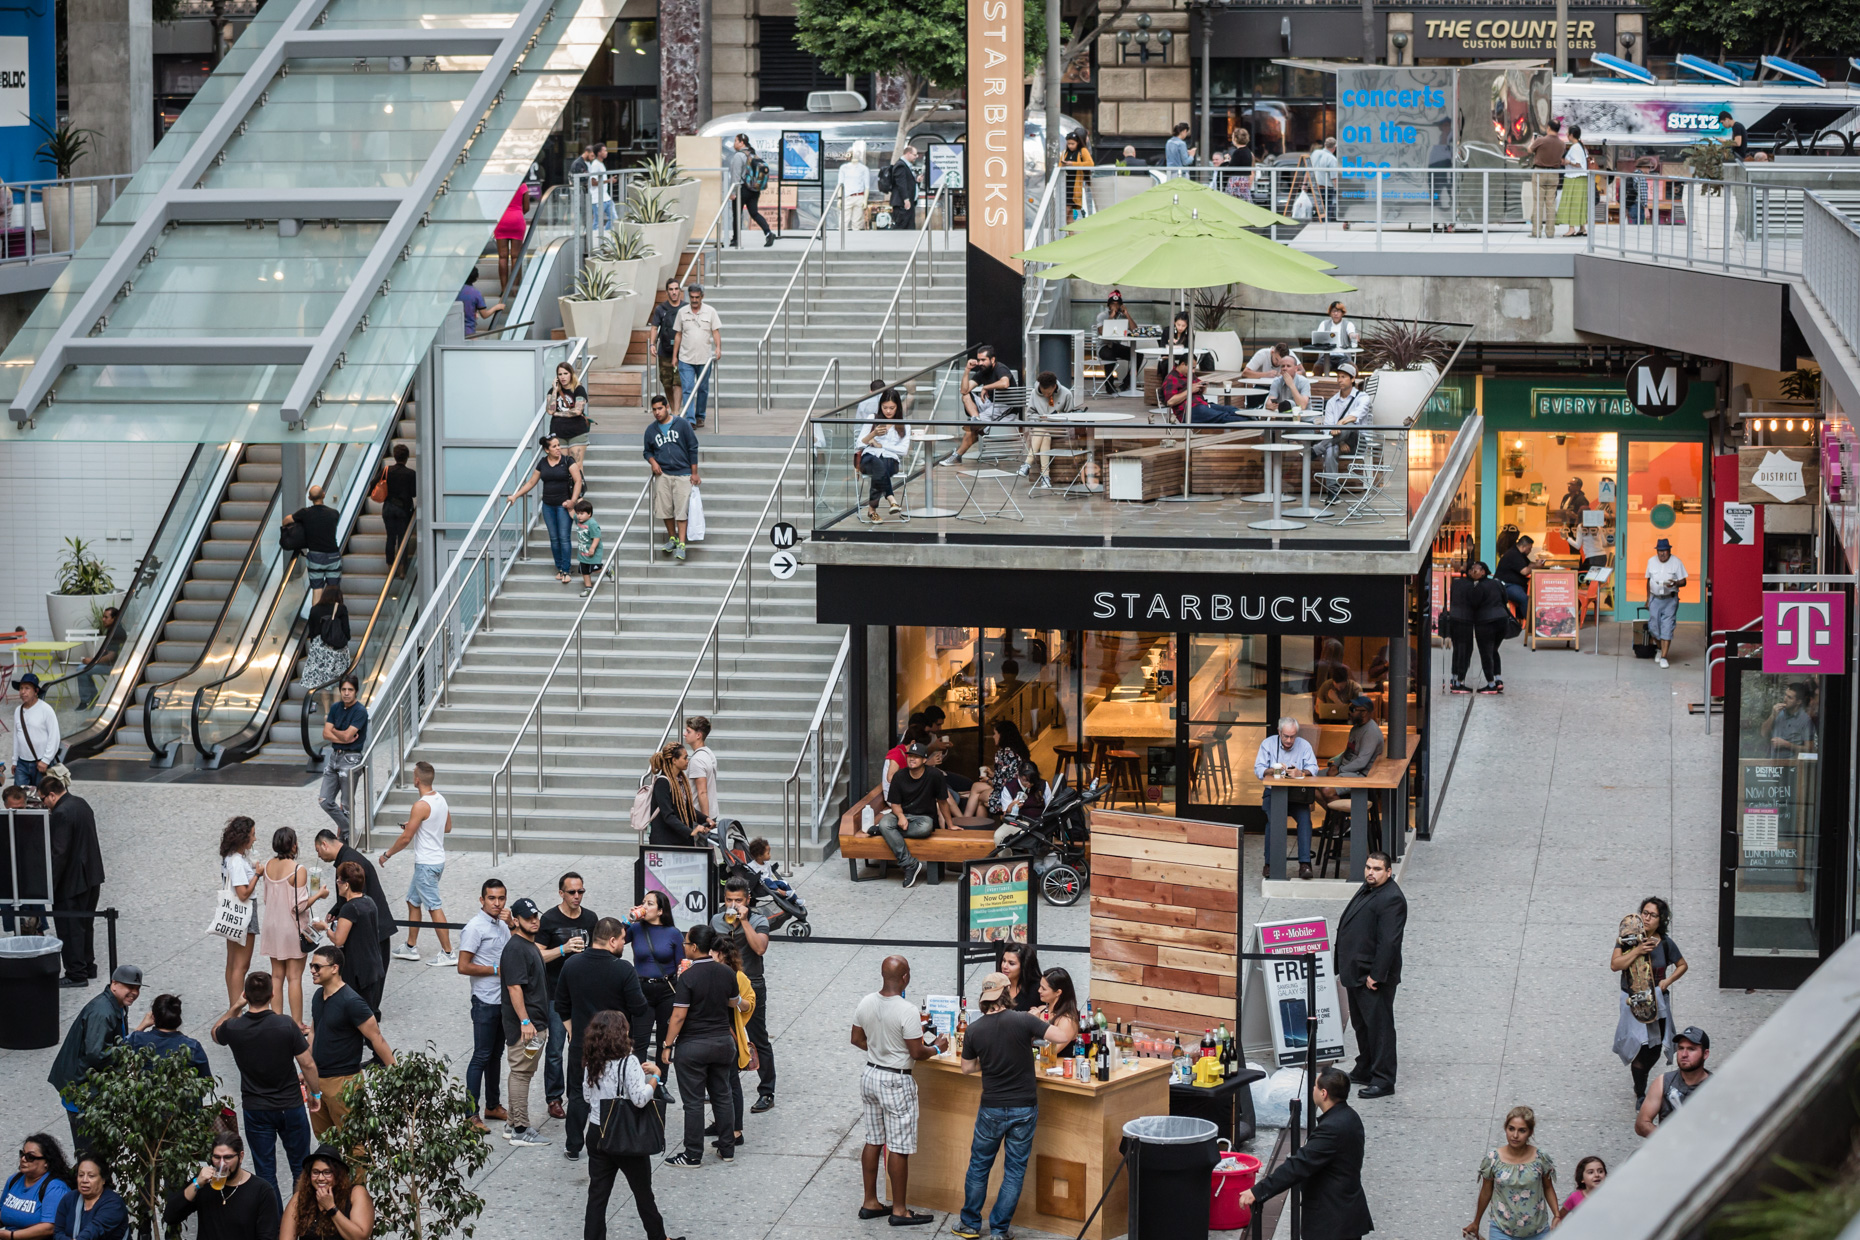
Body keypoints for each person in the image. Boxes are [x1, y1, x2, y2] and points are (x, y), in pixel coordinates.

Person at [951, 971, 1072, 1240]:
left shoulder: (974, 1029)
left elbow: (967, 1068)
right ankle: (998, 1231)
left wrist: (990, 1058)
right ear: (1007, 994)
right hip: (1023, 1108)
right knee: (1014, 1171)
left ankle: (970, 1225)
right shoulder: (1023, 1020)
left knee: (979, 1166)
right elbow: (1061, 1034)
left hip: (991, 1108)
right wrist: (1039, 1020)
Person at [851, 956, 947, 1227]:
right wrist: (938, 1046)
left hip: (870, 1074)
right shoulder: (907, 1010)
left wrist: (879, 1051)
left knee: (873, 1140)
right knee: (898, 1146)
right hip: (896, 1080)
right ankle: (900, 1210)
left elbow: (856, 1039)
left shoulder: (866, 1001)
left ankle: (870, 1202)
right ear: (906, 978)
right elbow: (918, 1052)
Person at [211, 971, 315, 1210]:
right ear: (273, 994)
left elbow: (216, 1033)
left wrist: (236, 1006)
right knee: (300, 1167)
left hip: (256, 1108)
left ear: (246, 995)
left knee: (266, 1172)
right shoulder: (285, 1024)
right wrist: (314, 1093)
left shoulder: (235, 1027)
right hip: (291, 1106)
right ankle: (301, 1219)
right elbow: (307, 1063)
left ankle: (277, 1224)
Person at [1236, 1068, 1371, 1240]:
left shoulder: (1332, 1128)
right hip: (1345, 1213)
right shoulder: (1351, 1117)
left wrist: (1258, 1191)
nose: (1312, 1089)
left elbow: (1298, 1166)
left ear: (1324, 1093)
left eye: (1315, 1086)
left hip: (1331, 1221)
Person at [556, 916, 649, 1163]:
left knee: (577, 1094)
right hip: (615, 1046)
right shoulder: (623, 969)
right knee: (615, 1093)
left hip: (582, 1044)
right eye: (621, 940)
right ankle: (611, 1137)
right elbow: (639, 1008)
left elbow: (561, 1005)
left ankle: (573, 1144)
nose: (623, 945)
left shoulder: (572, 965)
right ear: (611, 940)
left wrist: (573, 1032)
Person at [581, 1011, 681, 1240]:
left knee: (597, 1195)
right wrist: (655, 1077)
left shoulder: (592, 1062)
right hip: (624, 1134)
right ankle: (658, 1237)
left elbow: (587, 1096)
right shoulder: (629, 1062)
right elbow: (639, 1099)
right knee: (643, 1192)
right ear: (621, 1033)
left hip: (597, 1132)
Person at [662, 924, 744, 1167]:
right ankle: (727, 1148)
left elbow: (678, 1017)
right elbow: (734, 1003)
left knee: (694, 1102)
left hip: (693, 1047)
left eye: (686, 943)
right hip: (722, 1044)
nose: (684, 947)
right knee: (722, 1095)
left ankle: (693, 1154)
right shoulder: (726, 973)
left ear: (695, 947)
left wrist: (667, 1045)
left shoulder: (688, 977)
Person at [48, 965, 139, 1154]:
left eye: (137, 988)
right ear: (114, 984)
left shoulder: (116, 1005)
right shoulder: (102, 1012)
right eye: (129, 987)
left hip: (86, 1088)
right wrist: (129, 1046)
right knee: (89, 1153)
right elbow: (96, 1054)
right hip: (82, 1091)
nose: (134, 992)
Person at [1335, 852, 1405, 1097]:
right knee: (1362, 1025)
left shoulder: (1392, 898)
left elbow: (1389, 943)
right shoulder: (1369, 889)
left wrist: (1376, 974)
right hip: (1356, 972)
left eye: (1376, 869)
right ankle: (1365, 1067)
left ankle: (1384, 1079)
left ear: (1388, 872)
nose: (1370, 872)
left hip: (1372, 977)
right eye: (1368, 867)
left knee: (1380, 1028)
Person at [305, 945, 393, 1138]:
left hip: (342, 1082)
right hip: (317, 1081)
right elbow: (313, 1032)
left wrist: (398, 1077)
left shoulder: (352, 1002)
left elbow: (376, 1038)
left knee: (354, 1144)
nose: (312, 970)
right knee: (326, 1141)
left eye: (317, 967)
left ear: (334, 968)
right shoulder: (318, 996)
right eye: (311, 966)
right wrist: (307, 1070)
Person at [1612, 896, 1687, 1105]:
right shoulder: (1626, 940)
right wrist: (1638, 950)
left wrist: (1667, 981)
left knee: (1656, 1047)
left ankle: (1642, 1073)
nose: (1647, 918)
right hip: (1632, 999)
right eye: (1644, 913)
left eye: (1653, 915)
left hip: (1657, 1000)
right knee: (1639, 1045)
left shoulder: (1665, 943)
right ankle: (1640, 1091)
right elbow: (1615, 965)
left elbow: (1682, 965)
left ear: (1660, 919)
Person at [712, 878, 775, 1123]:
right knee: (722, 1035)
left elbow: (759, 948)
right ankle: (721, 1087)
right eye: (729, 900)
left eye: (738, 900)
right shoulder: (716, 920)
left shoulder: (758, 920)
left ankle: (767, 1091)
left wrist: (744, 921)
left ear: (747, 900)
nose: (733, 904)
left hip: (751, 983)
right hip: (721, 984)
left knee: (758, 1037)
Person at [379, 761, 454, 965]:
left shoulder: (420, 805)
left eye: (414, 775)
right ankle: (410, 947)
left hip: (426, 865)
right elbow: (446, 827)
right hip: (437, 861)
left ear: (417, 779)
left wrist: (387, 854)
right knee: (413, 901)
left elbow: (405, 838)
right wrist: (416, 823)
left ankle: (448, 953)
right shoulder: (440, 799)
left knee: (433, 907)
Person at [539, 871, 597, 1124]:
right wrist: (563, 949)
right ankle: (554, 1097)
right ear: (561, 893)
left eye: (580, 891)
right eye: (572, 892)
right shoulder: (549, 919)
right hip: (556, 994)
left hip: (584, 994)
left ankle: (583, 1091)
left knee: (587, 1045)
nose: (577, 896)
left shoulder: (590, 918)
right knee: (555, 1047)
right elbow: (537, 955)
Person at [458, 878, 512, 1133]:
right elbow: (463, 966)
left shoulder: (503, 924)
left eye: (501, 898)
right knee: (481, 1055)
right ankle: (470, 1114)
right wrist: (495, 969)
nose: (497, 903)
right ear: (482, 900)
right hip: (484, 1000)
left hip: (503, 1000)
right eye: (492, 898)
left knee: (495, 1055)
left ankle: (493, 1104)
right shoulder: (474, 928)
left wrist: (511, 923)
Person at [496, 897, 551, 1146]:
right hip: (527, 1028)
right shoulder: (516, 948)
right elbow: (514, 988)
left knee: (521, 1073)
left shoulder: (527, 945)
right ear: (515, 921)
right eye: (528, 918)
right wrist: (526, 1021)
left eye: (536, 916)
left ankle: (511, 1124)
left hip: (534, 1025)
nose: (534, 921)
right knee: (521, 1074)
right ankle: (520, 1129)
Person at [1465, 1105, 1561, 1239]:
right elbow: (1486, 1191)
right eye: (1511, 1129)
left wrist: (1557, 1214)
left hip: (1537, 1230)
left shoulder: (1540, 1158)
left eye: (1522, 1130)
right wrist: (1476, 1222)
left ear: (1530, 1132)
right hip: (1502, 1229)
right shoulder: (1493, 1159)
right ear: (1505, 1129)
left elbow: (1548, 1187)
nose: (1515, 1135)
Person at [313, 830, 394, 988]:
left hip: (371, 933)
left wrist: (329, 926)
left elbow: (354, 900)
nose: (318, 856)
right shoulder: (350, 858)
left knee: (365, 986)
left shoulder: (348, 865)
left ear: (324, 844)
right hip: (376, 927)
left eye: (318, 850)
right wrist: (336, 910)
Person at [164, 1132, 278, 1240]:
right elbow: (170, 1216)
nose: (222, 1163)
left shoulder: (261, 1190)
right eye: (217, 1157)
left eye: (227, 1157)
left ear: (241, 1156)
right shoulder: (203, 1183)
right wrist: (196, 1184)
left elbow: (267, 1236)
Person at [878, 742, 956, 889]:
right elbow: (894, 803)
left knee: (925, 828)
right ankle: (909, 864)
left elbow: (943, 801)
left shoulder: (935, 775)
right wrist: (901, 817)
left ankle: (887, 832)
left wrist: (950, 825)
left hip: (923, 818)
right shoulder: (899, 776)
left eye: (916, 757)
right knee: (885, 823)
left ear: (924, 760)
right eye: (909, 756)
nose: (912, 759)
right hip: (901, 813)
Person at [509, 435, 585, 586]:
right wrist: (515, 496)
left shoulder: (567, 461)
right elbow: (531, 482)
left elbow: (578, 481)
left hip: (563, 506)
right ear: (546, 449)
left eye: (558, 445)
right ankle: (559, 568)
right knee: (554, 538)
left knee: (564, 537)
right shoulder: (542, 463)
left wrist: (573, 501)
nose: (558, 449)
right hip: (548, 506)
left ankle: (566, 570)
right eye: (554, 446)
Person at [313, 864, 386, 1020]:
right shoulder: (369, 901)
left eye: (339, 880)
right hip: (374, 963)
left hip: (357, 968)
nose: (337, 883)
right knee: (369, 1010)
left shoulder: (349, 908)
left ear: (346, 885)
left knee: (358, 1012)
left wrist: (325, 928)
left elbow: (338, 940)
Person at [256, 827, 312, 1028]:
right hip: (291, 928)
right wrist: (318, 895)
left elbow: (265, 897)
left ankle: (277, 1020)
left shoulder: (268, 865)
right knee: (294, 977)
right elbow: (299, 906)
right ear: (294, 845)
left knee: (277, 975)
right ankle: (296, 1023)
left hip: (271, 925)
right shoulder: (298, 870)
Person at [625, 891, 686, 1063]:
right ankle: (636, 1082)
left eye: (650, 904)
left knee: (664, 1040)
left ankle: (660, 1082)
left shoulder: (673, 933)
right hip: (642, 989)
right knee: (639, 1040)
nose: (644, 906)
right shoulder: (636, 929)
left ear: (660, 911)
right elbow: (616, 940)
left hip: (666, 990)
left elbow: (680, 964)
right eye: (643, 902)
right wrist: (628, 920)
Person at [1255, 717, 1319, 880]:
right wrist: (1272, 770)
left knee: (1305, 820)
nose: (1289, 740)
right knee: (1274, 822)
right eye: (1286, 736)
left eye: (1292, 736)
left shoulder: (1304, 745)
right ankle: (1270, 864)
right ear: (1279, 732)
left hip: (1297, 795)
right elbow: (1258, 769)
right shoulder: (1268, 744)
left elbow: (1314, 768)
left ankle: (1305, 864)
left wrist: (1301, 773)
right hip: (1274, 793)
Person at [643, 395, 702, 560]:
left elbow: (693, 446)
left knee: (681, 510)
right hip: (663, 474)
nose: (657, 412)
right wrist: (653, 462)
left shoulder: (681, 424)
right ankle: (673, 538)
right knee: (665, 509)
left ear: (667, 407)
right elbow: (647, 450)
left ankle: (682, 544)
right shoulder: (651, 430)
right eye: (654, 409)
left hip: (683, 473)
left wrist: (694, 472)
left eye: (660, 408)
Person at [277, 1147, 373, 1240]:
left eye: (327, 1172)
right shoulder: (300, 1198)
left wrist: (331, 1208)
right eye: (315, 1172)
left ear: (338, 1174)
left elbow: (360, 1237)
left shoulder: (355, 1193)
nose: (321, 1178)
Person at [314, 675, 366, 839]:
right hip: (334, 758)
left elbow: (342, 735)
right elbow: (326, 733)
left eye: (350, 690)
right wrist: (341, 735)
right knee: (324, 800)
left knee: (346, 804)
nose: (346, 693)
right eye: (343, 689)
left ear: (356, 691)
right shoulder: (336, 708)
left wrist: (335, 731)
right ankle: (351, 831)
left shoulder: (360, 711)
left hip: (351, 759)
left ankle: (348, 838)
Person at [1447, 561, 1508, 695]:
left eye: (1476, 570)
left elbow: (1474, 602)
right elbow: (1505, 599)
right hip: (1501, 620)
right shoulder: (1496, 583)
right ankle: (1497, 681)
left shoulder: (1459, 584)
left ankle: (1457, 681)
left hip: (1475, 621)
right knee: (1492, 650)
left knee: (1463, 650)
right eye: (1472, 569)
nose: (1474, 572)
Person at [943, 346, 1012, 464]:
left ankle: (958, 455)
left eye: (983, 360)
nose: (980, 363)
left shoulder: (1000, 368)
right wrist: (967, 370)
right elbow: (964, 390)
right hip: (990, 405)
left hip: (1004, 407)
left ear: (993, 359)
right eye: (979, 360)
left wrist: (986, 387)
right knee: (965, 396)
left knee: (973, 430)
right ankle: (977, 419)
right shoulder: (982, 372)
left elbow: (1005, 383)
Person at [1636, 1027, 1711, 1136]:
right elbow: (1641, 1124)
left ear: (1705, 1054)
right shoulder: (1663, 1082)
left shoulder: (1716, 1087)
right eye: (1681, 1048)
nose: (1684, 1054)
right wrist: (1669, 1140)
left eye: (1691, 1049)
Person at [125, 992, 212, 1079]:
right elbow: (206, 1081)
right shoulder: (193, 1046)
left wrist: (142, 1025)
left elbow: (118, 1054)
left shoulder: (137, 1039)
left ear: (153, 1017)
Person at [3, 1132, 72, 1240]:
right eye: (22, 1154)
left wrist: (12, 1236)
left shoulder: (55, 1187)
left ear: (46, 1162)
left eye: (30, 1157)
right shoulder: (14, 1180)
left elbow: (49, 1227)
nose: (23, 1159)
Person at [672, 284, 723, 429]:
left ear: (702, 297)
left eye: (697, 297)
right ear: (689, 296)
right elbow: (678, 334)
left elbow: (715, 332)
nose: (694, 300)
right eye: (692, 297)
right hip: (686, 358)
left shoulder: (710, 311)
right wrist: (674, 356)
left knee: (703, 389)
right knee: (688, 388)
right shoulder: (682, 312)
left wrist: (718, 348)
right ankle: (690, 419)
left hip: (704, 358)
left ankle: (700, 416)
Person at [645, 741, 711, 847]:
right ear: (674, 760)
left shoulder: (680, 781)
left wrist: (706, 819)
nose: (687, 761)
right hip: (665, 842)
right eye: (684, 758)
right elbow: (668, 816)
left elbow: (687, 808)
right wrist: (690, 832)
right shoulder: (663, 783)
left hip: (678, 840)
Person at [857, 389, 909, 522]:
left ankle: (872, 510)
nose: (888, 411)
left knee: (881, 467)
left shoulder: (904, 424)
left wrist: (881, 446)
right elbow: (859, 443)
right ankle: (891, 498)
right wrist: (872, 434)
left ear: (898, 407)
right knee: (877, 463)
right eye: (885, 407)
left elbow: (903, 450)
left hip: (891, 461)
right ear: (880, 406)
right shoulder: (873, 418)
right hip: (869, 458)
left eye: (892, 408)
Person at [1322, 696, 1385, 805]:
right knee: (1311, 783)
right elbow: (1347, 751)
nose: (1349, 712)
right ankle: (1337, 819)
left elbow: (1362, 762)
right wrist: (1334, 766)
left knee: (1327, 790)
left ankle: (1343, 819)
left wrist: (1340, 770)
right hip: (1347, 770)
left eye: (1353, 709)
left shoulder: (1371, 732)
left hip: (1360, 774)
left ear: (1364, 713)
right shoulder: (1356, 728)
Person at [1020, 371, 1080, 486]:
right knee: (1045, 435)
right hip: (1041, 431)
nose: (1046, 396)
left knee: (1045, 422)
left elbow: (1071, 417)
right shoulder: (1034, 393)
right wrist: (1039, 418)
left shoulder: (1066, 394)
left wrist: (1056, 416)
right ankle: (1045, 477)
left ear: (1054, 387)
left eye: (1048, 393)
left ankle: (1027, 463)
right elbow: (1029, 414)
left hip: (1060, 430)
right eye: (1043, 393)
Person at [282, 486, 342, 590]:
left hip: (315, 556)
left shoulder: (305, 513)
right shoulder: (334, 513)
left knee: (317, 590)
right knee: (334, 590)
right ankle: (334, 606)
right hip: (333, 555)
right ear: (323, 495)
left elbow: (286, 520)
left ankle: (316, 607)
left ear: (309, 498)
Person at [50, 1156, 125, 1240]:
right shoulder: (69, 1199)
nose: (84, 1180)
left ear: (103, 1179)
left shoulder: (114, 1203)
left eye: (91, 1176)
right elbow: (58, 1233)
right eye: (81, 1175)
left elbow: (94, 1230)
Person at [1313, 362, 1368, 475]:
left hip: (1357, 443)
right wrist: (1340, 442)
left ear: (1352, 379)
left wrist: (1340, 423)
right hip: (1336, 441)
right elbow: (1328, 428)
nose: (1339, 380)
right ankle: (1332, 490)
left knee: (1350, 425)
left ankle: (1318, 448)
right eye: (1338, 377)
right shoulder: (1332, 402)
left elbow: (1355, 416)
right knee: (1331, 450)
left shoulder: (1363, 397)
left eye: (1343, 377)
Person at [301, 583, 351, 704]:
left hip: (319, 650)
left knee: (324, 683)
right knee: (337, 681)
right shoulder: (341, 608)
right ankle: (336, 712)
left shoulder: (314, 610)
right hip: (336, 650)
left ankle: (327, 713)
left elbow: (312, 634)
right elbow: (347, 633)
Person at [9, 671, 58, 793]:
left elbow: (54, 736)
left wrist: (46, 760)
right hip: (22, 763)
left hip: (40, 763)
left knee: (42, 796)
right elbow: (17, 736)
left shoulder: (46, 709)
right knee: (19, 795)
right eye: (21, 688)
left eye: (27, 688)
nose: (23, 692)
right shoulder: (18, 711)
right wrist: (15, 760)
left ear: (36, 691)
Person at [1645, 537, 1687, 668]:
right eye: (1659, 551)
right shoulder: (1651, 561)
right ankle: (1659, 649)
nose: (1662, 553)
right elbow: (1648, 581)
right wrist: (1647, 599)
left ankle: (1664, 656)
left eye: (1664, 551)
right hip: (1655, 599)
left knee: (1667, 627)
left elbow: (1684, 581)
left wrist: (1675, 583)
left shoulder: (1677, 562)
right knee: (1654, 627)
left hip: (1670, 600)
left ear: (1669, 551)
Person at [1161, 358, 1243, 425]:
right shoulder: (1171, 379)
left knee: (1231, 409)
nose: (1193, 371)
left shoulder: (1189, 374)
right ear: (1182, 364)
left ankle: (1251, 416)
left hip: (1203, 405)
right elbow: (1170, 402)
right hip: (1190, 411)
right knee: (1224, 417)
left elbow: (1198, 390)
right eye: (1192, 368)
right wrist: (1189, 390)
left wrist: (1202, 387)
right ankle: (1251, 420)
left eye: (1194, 368)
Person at [1525, 122, 1567, 239]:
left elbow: (1529, 150)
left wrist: (1533, 142)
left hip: (1539, 173)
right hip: (1554, 174)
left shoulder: (1541, 140)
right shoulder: (1562, 144)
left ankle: (1536, 231)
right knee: (1551, 204)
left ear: (1548, 128)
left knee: (1538, 203)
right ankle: (1550, 232)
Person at [75, 608, 122, 710]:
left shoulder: (116, 632)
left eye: (106, 617)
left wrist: (93, 662)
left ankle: (86, 701)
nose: (103, 619)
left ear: (114, 618)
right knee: (82, 667)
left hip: (112, 667)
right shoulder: (114, 630)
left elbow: (111, 656)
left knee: (81, 669)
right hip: (110, 664)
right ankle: (93, 697)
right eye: (103, 616)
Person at [731, 134, 773, 248]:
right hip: (754, 189)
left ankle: (735, 239)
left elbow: (736, 176)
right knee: (754, 212)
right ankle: (768, 233)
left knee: (737, 214)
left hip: (743, 188)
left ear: (741, 143)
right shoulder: (753, 154)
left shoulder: (738, 156)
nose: (734, 143)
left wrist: (733, 192)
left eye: (735, 141)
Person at [647, 279, 683, 410]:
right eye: (671, 289)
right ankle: (673, 408)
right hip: (664, 352)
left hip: (682, 353)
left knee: (678, 383)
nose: (674, 292)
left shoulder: (685, 308)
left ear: (680, 290)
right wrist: (652, 344)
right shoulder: (660, 309)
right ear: (667, 292)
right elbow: (654, 328)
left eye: (676, 289)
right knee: (667, 383)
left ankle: (676, 412)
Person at [549, 360, 592, 469]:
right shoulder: (553, 391)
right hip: (558, 433)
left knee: (576, 466)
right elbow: (550, 410)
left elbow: (577, 411)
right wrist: (554, 390)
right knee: (562, 466)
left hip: (577, 433)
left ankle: (579, 486)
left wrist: (558, 414)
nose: (563, 377)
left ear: (571, 375)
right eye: (560, 374)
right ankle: (566, 487)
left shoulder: (578, 389)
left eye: (565, 373)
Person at [1091, 292, 1136, 393]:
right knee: (1110, 356)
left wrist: (1127, 314)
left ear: (1121, 305)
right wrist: (1111, 316)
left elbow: (1134, 330)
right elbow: (1101, 331)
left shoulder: (1122, 316)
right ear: (1109, 305)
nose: (1115, 306)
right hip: (1104, 346)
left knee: (1138, 355)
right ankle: (1109, 386)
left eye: (1117, 304)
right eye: (1113, 304)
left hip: (1116, 346)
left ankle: (1127, 383)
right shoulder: (1102, 316)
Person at [495, 184, 529, 306]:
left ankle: (504, 290)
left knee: (502, 257)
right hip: (516, 219)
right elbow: (527, 207)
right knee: (515, 256)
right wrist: (517, 212)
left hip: (502, 220)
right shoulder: (522, 186)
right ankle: (514, 289)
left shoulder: (501, 186)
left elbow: (494, 205)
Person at [683, 716, 720, 825]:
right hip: (709, 813)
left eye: (688, 731)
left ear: (698, 735)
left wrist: (705, 820)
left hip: (699, 817)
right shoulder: (708, 753)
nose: (685, 734)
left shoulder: (697, 760)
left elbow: (702, 792)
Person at [1761, 682, 1817, 755]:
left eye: (1789, 697)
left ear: (1798, 702)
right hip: (1774, 762)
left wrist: (1787, 744)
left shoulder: (1805, 720)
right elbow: (1763, 733)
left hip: (1792, 763)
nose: (1785, 699)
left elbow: (1809, 749)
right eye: (1785, 695)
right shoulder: (1778, 712)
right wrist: (1772, 715)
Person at [1558, 123, 1591, 237]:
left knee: (1571, 202)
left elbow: (1578, 164)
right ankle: (1582, 227)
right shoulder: (1580, 146)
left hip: (1574, 178)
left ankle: (1571, 228)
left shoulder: (1575, 147)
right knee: (1580, 202)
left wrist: (1568, 162)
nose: (1566, 134)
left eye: (1568, 133)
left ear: (1572, 135)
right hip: (1581, 178)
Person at [1495, 534, 1536, 621]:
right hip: (1505, 586)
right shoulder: (1513, 554)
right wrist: (1535, 565)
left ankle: (1521, 618)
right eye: (1529, 548)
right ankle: (1531, 623)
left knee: (1532, 596)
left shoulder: (1520, 554)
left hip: (1514, 584)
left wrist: (1534, 565)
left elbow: (1529, 564)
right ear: (1524, 547)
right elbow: (1525, 571)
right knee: (1524, 599)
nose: (1530, 551)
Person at [1316, 301, 1360, 375]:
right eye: (1334, 311)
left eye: (1338, 311)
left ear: (1342, 313)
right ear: (1330, 313)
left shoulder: (1348, 324)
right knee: (1317, 368)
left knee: (1354, 370)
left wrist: (1353, 336)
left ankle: (1353, 386)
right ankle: (1320, 386)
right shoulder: (1324, 324)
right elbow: (1318, 337)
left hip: (1343, 357)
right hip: (1326, 356)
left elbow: (1351, 333)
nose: (1336, 314)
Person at [839, 139, 872, 231]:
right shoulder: (844, 168)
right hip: (847, 196)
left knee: (857, 223)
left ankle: (854, 242)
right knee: (843, 221)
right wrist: (839, 198)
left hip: (859, 196)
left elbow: (867, 186)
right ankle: (840, 240)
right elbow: (840, 184)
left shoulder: (864, 169)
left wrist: (865, 200)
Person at [571, 499, 602, 596]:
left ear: (589, 514)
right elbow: (572, 514)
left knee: (595, 569)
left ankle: (607, 569)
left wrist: (592, 548)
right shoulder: (578, 519)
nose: (579, 516)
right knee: (584, 570)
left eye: (582, 513)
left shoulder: (592, 524)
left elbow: (597, 537)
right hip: (583, 551)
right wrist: (569, 505)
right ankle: (588, 587)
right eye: (578, 513)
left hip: (593, 551)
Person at [999, 943, 1042, 1012]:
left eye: (1011, 963)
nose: (1004, 966)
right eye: (1004, 961)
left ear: (1024, 966)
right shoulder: (997, 983)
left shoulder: (1038, 990)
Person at [1061, 131, 1093, 220]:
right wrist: (1064, 165)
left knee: (1067, 210)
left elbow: (1090, 163)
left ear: (1078, 143)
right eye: (1068, 144)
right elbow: (1060, 165)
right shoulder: (1065, 153)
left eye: (1072, 144)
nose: (1070, 146)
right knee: (1069, 213)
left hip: (1074, 185)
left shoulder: (1082, 151)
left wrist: (1073, 164)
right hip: (1065, 184)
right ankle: (1070, 233)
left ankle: (1062, 231)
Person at [888, 146, 919, 230]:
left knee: (909, 228)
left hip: (908, 203)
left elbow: (907, 182)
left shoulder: (906, 165)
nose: (916, 157)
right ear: (908, 154)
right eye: (915, 155)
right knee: (901, 227)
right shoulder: (900, 166)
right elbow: (901, 184)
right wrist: (906, 199)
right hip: (903, 204)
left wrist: (916, 180)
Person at [1311, 136, 1340, 220]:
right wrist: (1337, 191)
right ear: (1334, 148)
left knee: (1319, 211)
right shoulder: (1332, 159)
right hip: (1326, 188)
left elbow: (1308, 169)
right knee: (1327, 211)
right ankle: (1325, 226)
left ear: (1324, 145)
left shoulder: (1315, 153)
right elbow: (1334, 177)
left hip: (1315, 187)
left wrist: (1304, 184)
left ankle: (1320, 226)